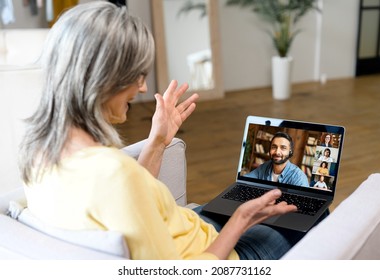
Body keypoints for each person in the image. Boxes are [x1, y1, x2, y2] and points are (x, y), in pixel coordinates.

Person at [19, 2, 316, 260]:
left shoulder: (38, 153)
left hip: (183, 228)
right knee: (311, 216)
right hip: (212, 255)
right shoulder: (112, 172)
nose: (143, 87)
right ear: (103, 78)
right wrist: (241, 220)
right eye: (136, 75)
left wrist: (158, 141)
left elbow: (129, 205)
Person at [245, 132, 309, 187]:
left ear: (290, 151)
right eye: (274, 147)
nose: (277, 152)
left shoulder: (299, 178)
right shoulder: (265, 166)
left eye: (283, 148)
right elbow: (245, 181)